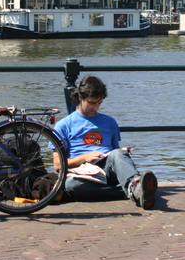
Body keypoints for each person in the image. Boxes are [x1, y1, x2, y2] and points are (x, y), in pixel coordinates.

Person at [52, 76, 157, 209]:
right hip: (82, 172)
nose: (95, 107)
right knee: (71, 185)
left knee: (118, 153)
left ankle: (133, 185)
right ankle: (131, 191)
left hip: (106, 166)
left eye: (99, 103)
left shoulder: (110, 122)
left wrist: (120, 153)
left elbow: (115, 151)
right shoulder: (63, 126)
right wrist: (84, 158)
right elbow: (57, 165)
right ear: (80, 97)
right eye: (92, 102)